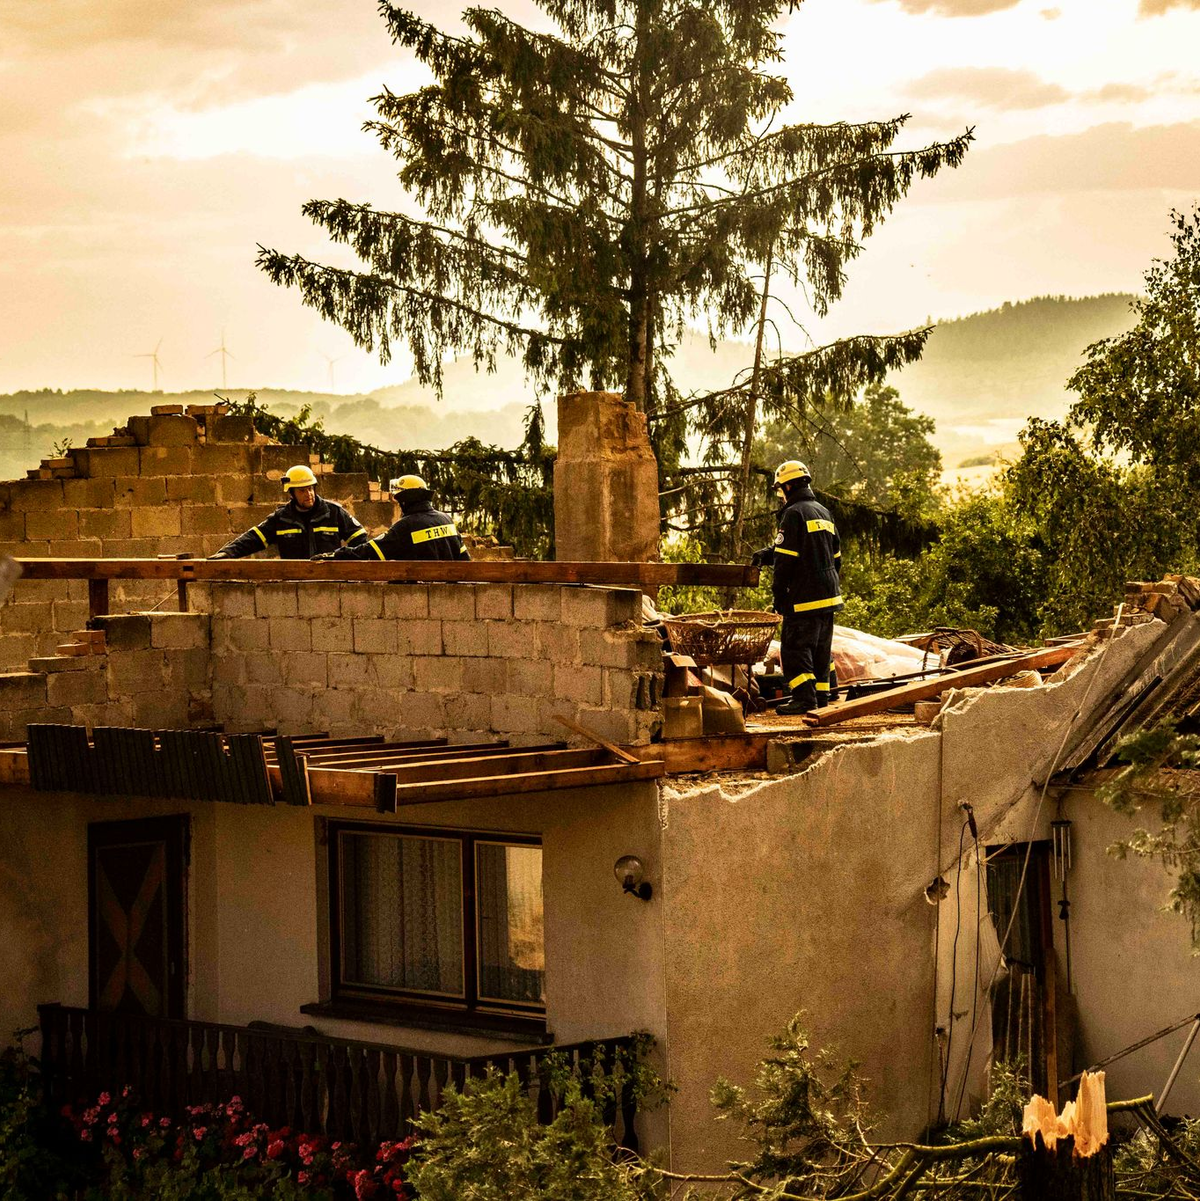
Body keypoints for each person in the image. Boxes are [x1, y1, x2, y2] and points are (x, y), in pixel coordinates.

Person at [752, 460, 842, 715]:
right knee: (820, 649)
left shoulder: (793, 514)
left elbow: (786, 562)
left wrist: (779, 596)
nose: (781, 495)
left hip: (803, 598)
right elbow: (832, 556)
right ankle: (821, 696)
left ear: (789, 486)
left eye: (781, 489)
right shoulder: (823, 512)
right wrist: (768, 553)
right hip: (828, 596)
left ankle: (804, 699)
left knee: (794, 648)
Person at [209, 465, 369, 559]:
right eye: (302, 491)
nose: (309, 494)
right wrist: (226, 553)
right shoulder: (281, 518)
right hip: (294, 587)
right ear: (291, 493)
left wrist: (343, 560)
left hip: (331, 585)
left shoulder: (334, 512)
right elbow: (253, 539)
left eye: (310, 489)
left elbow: (360, 539)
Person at [317, 475, 470, 561]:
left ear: (404, 500)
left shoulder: (406, 526)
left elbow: (369, 551)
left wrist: (335, 555)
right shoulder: (446, 519)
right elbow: (464, 558)